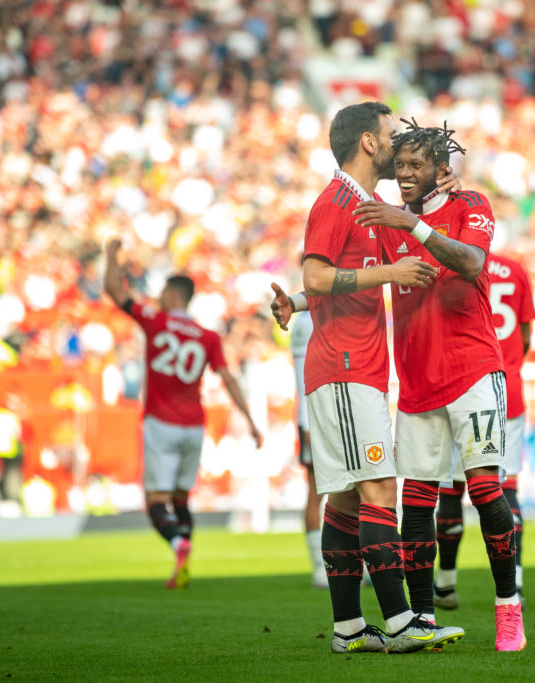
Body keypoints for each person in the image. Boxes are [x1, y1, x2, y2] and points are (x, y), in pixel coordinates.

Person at [270, 102, 463, 654]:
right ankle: (401, 622)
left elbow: (321, 283)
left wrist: (299, 304)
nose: (397, 147)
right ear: (369, 144)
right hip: (345, 368)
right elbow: (317, 269)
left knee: (348, 504)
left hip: (357, 369)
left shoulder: (366, 204)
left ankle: (350, 629)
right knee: (380, 489)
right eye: (389, 134)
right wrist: (390, 273)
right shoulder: (335, 200)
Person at [351, 118, 526, 651]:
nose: (404, 174)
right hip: (417, 377)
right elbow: (354, 276)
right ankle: (424, 617)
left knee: (486, 490)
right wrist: (300, 298)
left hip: (472, 369)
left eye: (415, 166)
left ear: (441, 171)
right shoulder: (386, 220)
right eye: (399, 165)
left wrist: (414, 226)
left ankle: (507, 608)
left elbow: (472, 263)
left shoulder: (470, 202)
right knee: (419, 500)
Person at [104, 239, 262, 589]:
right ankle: (183, 566)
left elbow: (114, 290)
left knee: (156, 501)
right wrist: (249, 419)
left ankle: (178, 543)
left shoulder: (154, 319)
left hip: (161, 422)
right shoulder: (207, 337)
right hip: (194, 426)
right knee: (181, 497)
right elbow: (229, 379)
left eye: (163, 293)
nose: (159, 298)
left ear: (174, 297)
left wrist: (112, 254)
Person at [433, 249, 535, 611]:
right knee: (504, 488)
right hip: (506, 388)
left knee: (451, 488)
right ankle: (515, 582)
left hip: (460, 383)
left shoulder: (447, 263)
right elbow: (526, 337)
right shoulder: (516, 270)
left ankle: (445, 582)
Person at [290, 308, 326, 588]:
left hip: (315, 416)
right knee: (317, 492)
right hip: (315, 417)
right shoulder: (311, 318)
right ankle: (320, 568)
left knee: (343, 492)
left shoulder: (304, 317)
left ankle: (326, 567)